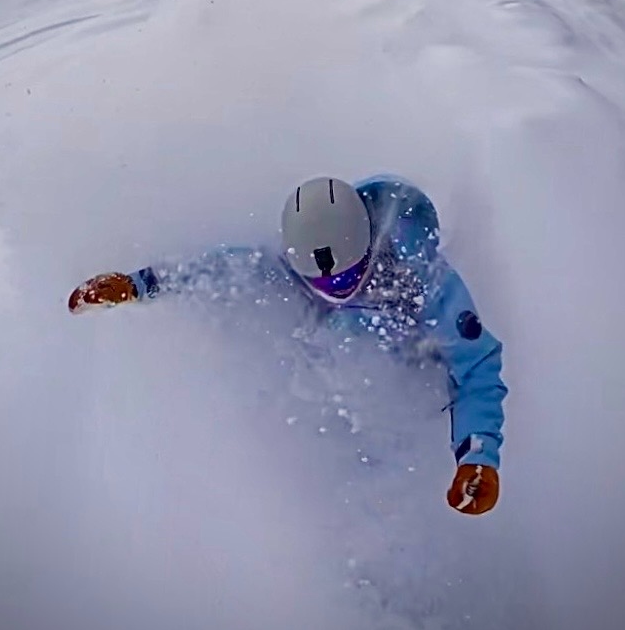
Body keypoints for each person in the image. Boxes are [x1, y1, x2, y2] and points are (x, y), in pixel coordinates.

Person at [69, 174, 507, 515]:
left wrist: (478, 456)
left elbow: (477, 365)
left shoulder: (421, 278)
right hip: (335, 415)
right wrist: (138, 284)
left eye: (345, 278)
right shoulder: (290, 272)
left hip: (414, 415)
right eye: (320, 282)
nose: (334, 289)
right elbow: (220, 270)